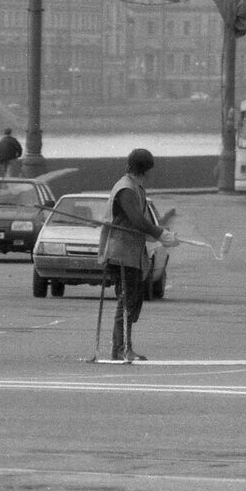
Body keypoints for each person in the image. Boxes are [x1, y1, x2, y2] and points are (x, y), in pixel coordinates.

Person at [98, 148, 180, 361]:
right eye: (151, 169)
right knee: (127, 300)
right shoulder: (126, 189)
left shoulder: (136, 187)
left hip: (132, 251)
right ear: (145, 169)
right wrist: (160, 232)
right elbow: (137, 220)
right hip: (121, 252)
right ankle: (120, 348)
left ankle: (124, 346)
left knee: (133, 300)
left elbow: (143, 224)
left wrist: (161, 235)